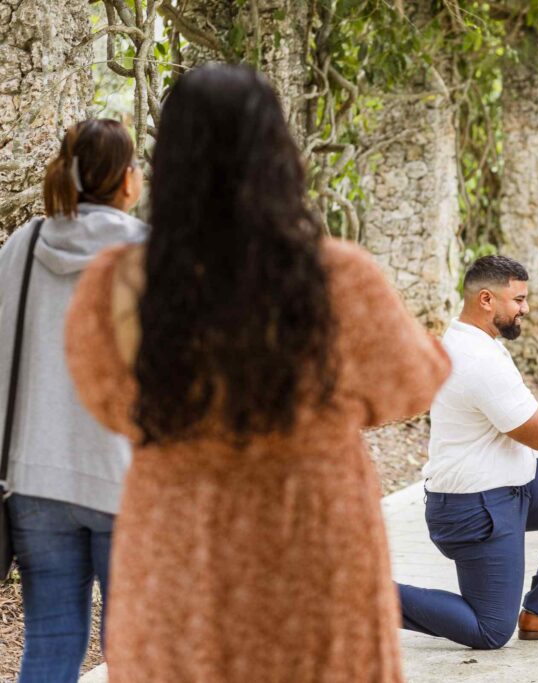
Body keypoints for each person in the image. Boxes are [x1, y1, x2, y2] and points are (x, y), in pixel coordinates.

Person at [63, 64, 449, 682]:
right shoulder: (339, 276)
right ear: (278, 152)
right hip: (312, 529)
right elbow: (410, 383)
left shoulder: (116, 283)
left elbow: (105, 397)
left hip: (177, 531)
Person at [397, 255, 538, 649]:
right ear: (487, 299)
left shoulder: (473, 341)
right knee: (490, 630)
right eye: (518, 300)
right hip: (473, 507)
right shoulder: (477, 359)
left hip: (513, 485)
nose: (526, 308)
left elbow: (527, 421)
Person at [0, 119, 145, 682]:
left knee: (50, 644)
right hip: (127, 480)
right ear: (127, 181)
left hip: (35, 481)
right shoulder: (147, 253)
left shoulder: (22, 245)